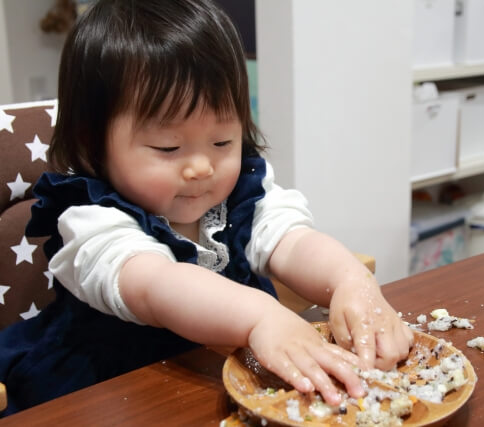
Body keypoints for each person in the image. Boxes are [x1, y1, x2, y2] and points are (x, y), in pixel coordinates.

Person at [0, 0, 413, 416]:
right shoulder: (91, 217)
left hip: (224, 380)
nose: (201, 167)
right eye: (168, 147)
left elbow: (290, 240)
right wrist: (259, 317)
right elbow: (156, 285)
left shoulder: (239, 194)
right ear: (94, 144)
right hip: (111, 395)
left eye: (222, 142)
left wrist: (348, 278)